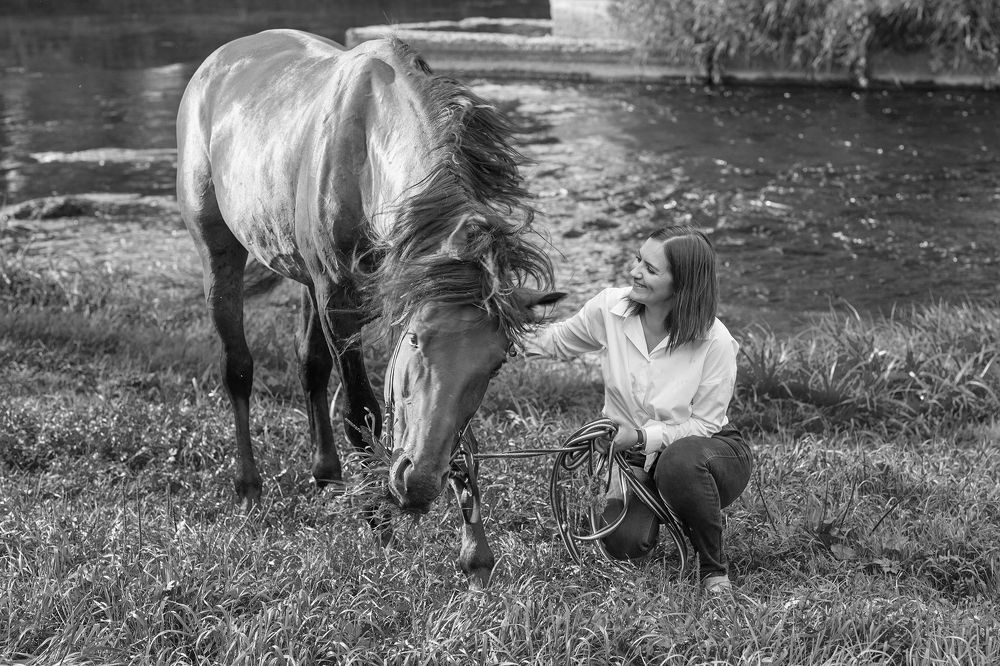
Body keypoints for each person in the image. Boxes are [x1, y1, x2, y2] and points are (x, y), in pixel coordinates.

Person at [525, 225, 752, 593]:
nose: (634, 272)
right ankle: (668, 503)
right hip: (632, 457)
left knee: (679, 463)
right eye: (637, 259)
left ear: (683, 284)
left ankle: (713, 569)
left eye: (649, 268)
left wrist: (643, 436)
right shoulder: (610, 308)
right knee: (623, 544)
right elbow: (556, 341)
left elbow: (705, 424)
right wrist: (491, 328)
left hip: (709, 452)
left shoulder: (716, 341)